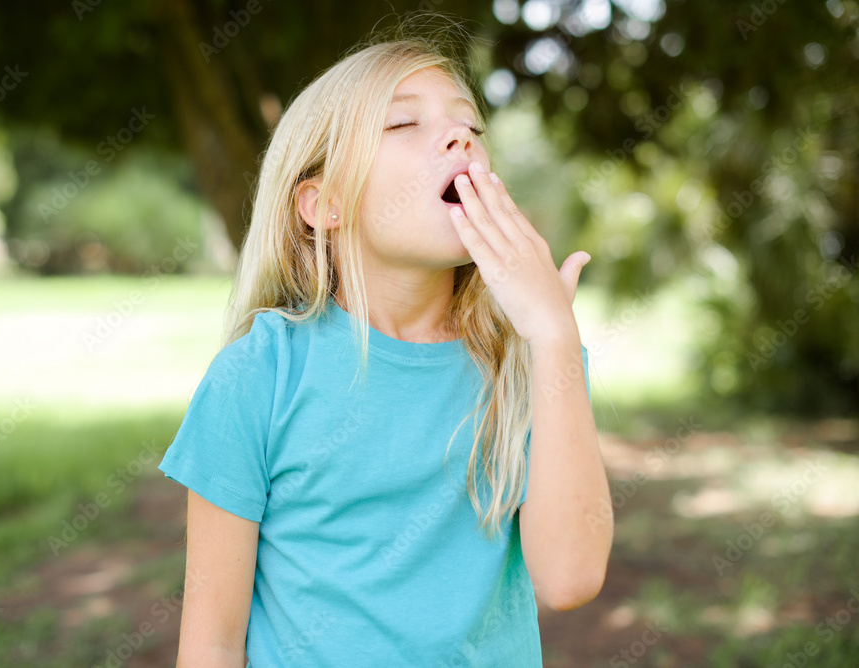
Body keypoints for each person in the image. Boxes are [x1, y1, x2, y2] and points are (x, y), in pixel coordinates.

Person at [158, 15, 613, 668]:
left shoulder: (533, 359)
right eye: (403, 123)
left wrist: (554, 337)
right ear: (324, 204)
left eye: (470, 126)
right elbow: (211, 644)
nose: (460, 136)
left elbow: (570, 580)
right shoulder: (260, 375)